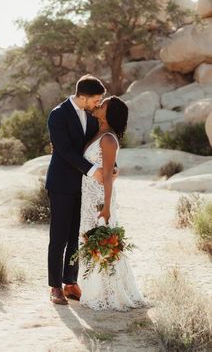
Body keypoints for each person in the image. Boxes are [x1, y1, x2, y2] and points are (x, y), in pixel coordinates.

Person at [79, 96, 145, 311]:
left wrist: (106, 208)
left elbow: (108, 175)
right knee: (91, 241)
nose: (99, 104)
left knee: (103, 242)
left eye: (104, 103)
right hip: (89, 196)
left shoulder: (108, 139)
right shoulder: (98, 131)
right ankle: (97, 289)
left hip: (99, 199)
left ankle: (110, 292)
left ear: (109, 113)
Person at [46, 75, 107, 305]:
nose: (97, 104)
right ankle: (54, 287)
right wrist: (93, 171)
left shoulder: (91, 117)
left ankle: (70, 282)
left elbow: (97, 145)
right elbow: (64, 151)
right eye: (96, 99)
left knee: (75, 236)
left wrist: (112, 166)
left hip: (83, 186)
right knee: (58, 237)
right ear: (83, 96)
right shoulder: (58, 114)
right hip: (61, 185)